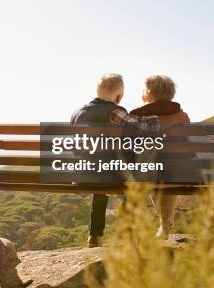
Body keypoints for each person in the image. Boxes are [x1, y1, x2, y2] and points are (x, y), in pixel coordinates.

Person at [70, 74, 165, 247]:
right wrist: (155, 115)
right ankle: (129, 233)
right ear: (119, 97)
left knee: (99, 175)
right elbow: (144, 128)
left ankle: (94, 235)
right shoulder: (115, 111)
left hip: (82, 174)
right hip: (108, 174)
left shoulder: (77, 113)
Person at [130, 74, 190, 239]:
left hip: (149, 171)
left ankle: (164, 223)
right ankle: (165, 224)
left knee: (151, 169)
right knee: (170, 171)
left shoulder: (137, 114)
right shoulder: (182, 115)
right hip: (179, 171)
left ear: (148, 93)